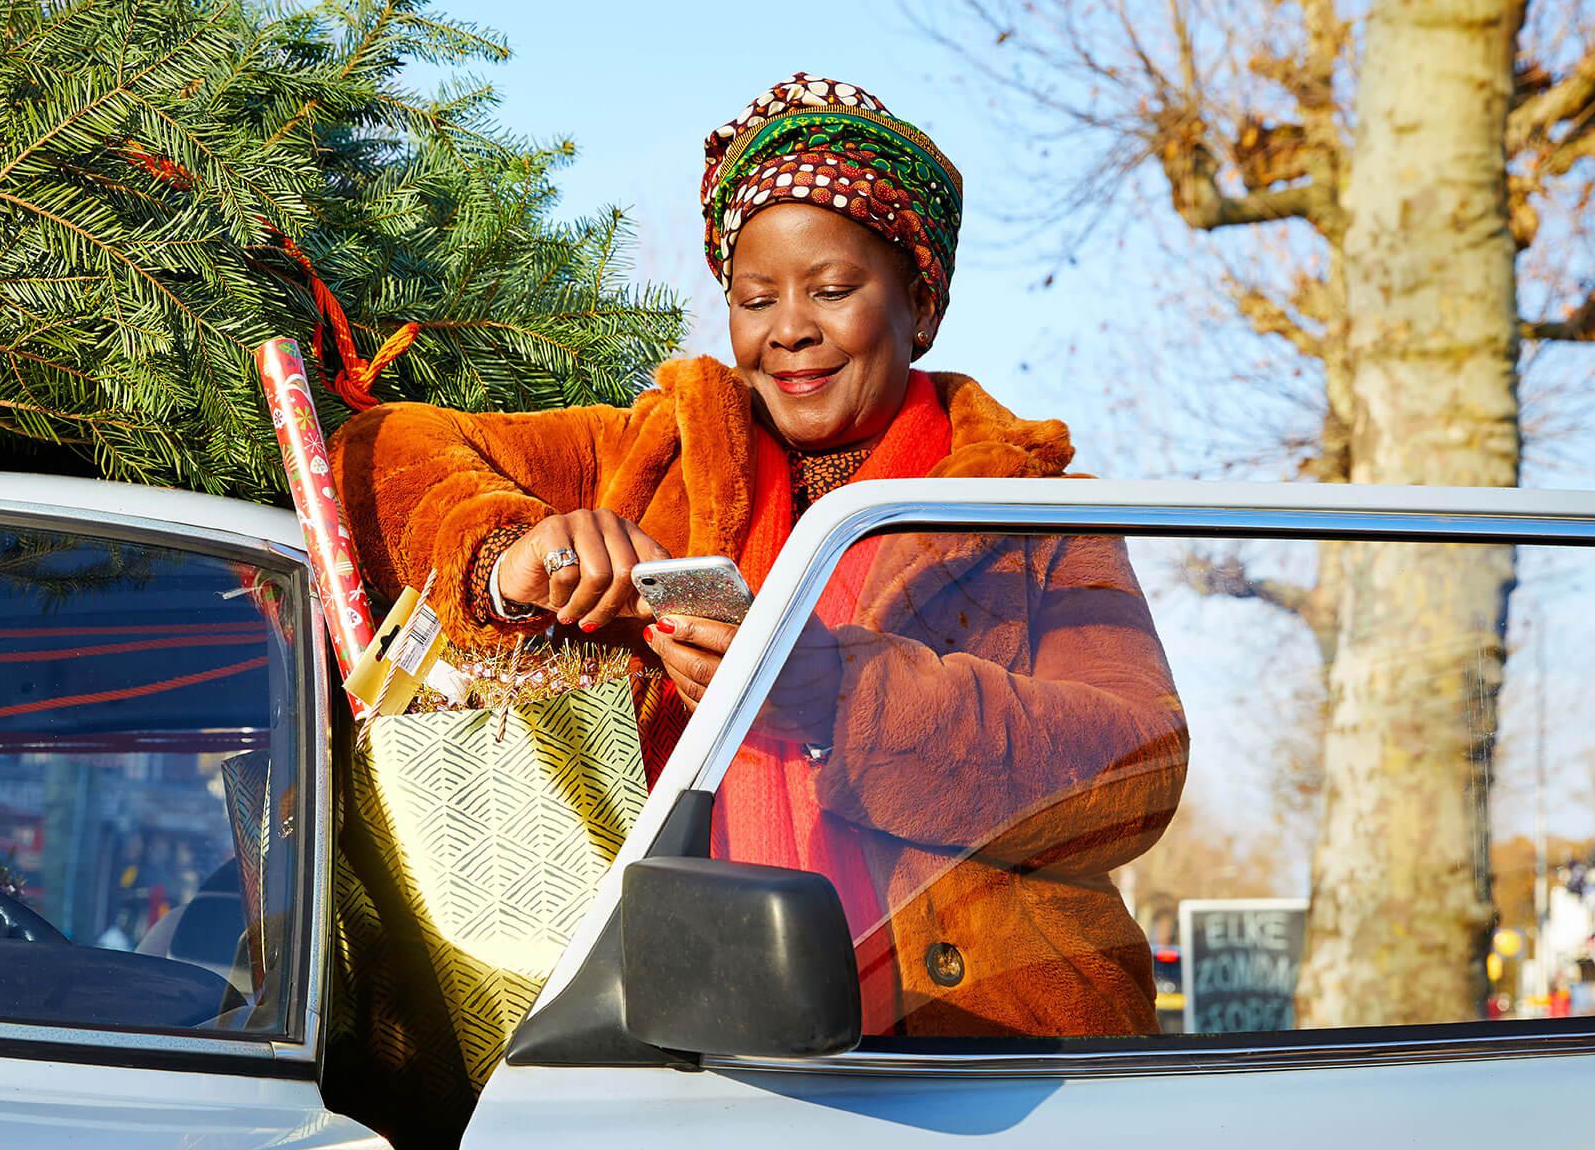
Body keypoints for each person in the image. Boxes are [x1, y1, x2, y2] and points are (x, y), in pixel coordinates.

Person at [330, 75, 1187, 1038]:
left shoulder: (1031, 509)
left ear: (921, 304)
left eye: (831, 290)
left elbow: (1134, 769)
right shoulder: (657, 449)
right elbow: (379, 452)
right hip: (674, 1027)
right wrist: (509, 549)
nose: (789, 329)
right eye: (754, 298)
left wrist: (836, 694)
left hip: (979, 1051)